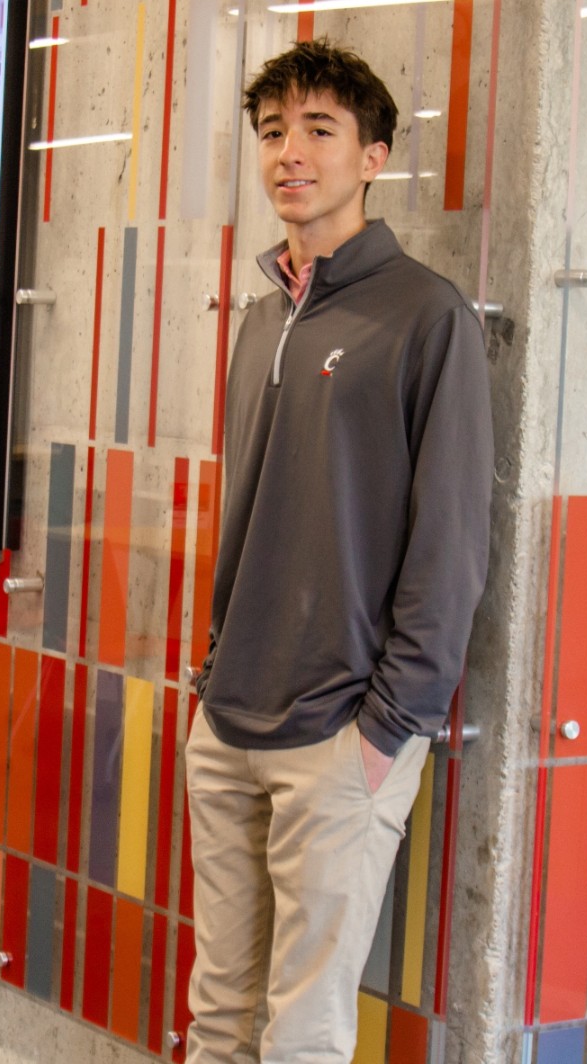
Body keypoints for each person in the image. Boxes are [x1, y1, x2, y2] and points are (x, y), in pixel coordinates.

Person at [186, 39, 493, 1063]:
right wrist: (210, 672)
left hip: (338, 736)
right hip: (227, 720)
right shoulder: (262, 316)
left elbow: (450, 541)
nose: (288, 152)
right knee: (217, 1018)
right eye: (272, 131)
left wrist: (385, 726)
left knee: (302, 1035)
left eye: (318, 129)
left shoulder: (423, 314)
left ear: (371, 156)